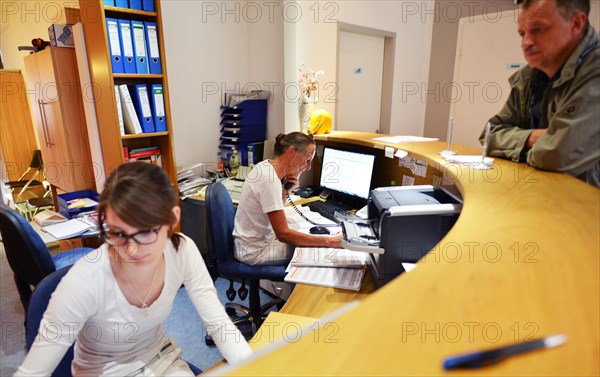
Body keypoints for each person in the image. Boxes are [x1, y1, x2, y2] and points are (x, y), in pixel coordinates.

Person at [16, 162, 253, 376]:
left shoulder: (182, 250)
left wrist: (252, 368)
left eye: (146, 231)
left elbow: (218, 323)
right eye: (118, 233)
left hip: (162, 361)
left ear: (172, 219)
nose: (132, 248)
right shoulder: (84, 281)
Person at [481, 0, 599, 187]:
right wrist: (533, 137)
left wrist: (520, 146)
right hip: (540, 196)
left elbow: (558, 155)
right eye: (522, 33)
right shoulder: (527, 77)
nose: (526, 43)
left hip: (587, 208)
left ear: (576, 23)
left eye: (538, 29)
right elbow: (489, 135)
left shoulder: (594, 72)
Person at [233, 132, 341, 265]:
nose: (308, 167)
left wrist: (287, 189)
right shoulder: (269, 180)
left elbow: (273, 208)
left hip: (248, 244)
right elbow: (282, 234)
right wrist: (329, 241)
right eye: (307, 160)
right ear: (291, 152)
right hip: (254, 252)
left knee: (302, 231)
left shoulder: (265, 166)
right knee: (313, 248)